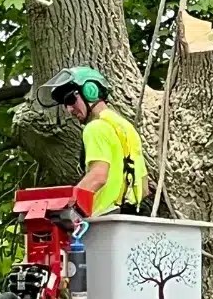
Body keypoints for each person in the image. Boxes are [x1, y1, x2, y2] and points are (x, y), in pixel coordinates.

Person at [40, 65, 149, 216]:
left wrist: (65, 206)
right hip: (130, 218)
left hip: (104, 219)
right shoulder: (126, 128)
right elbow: (144, 188)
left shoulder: (95, 128)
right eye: (65, 105)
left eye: (71, 99)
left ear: (90, 91)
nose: (69, 109)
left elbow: (98, 176)